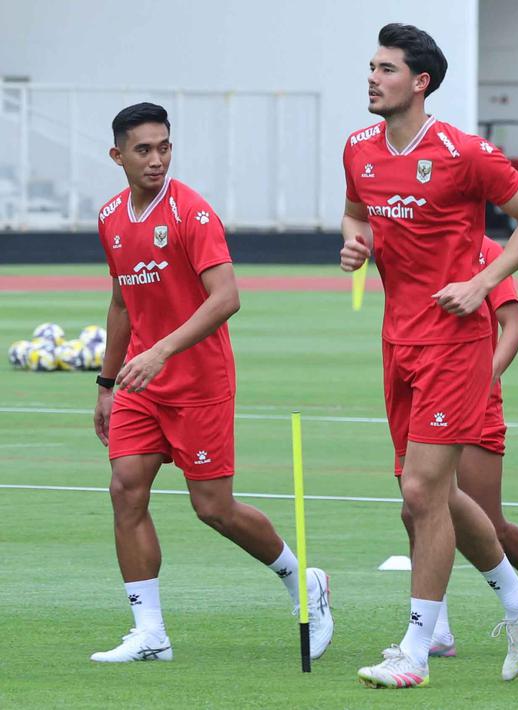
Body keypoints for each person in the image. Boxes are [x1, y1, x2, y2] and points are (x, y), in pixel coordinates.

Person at [339, 24, 518, 688]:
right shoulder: (357, 148)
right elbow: (356, 213)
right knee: (422, 496)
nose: (373, 78)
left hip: (455, 344)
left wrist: (483, 283)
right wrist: (355, 243)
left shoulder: (465, 152)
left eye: (386, 69)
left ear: (420, 82)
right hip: (396, 340)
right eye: (371, 67)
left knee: (421, 490)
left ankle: (415, 648)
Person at [91, 102, 333, 663]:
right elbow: (121, 303)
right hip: (140, 385)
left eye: (164, 147)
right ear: (117, 155)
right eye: (143, 149)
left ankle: (304, 581)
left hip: (198, 382)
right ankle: (150, 632)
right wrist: (108, 382)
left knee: (213, 508)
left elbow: (228, 298)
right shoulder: (110, 217)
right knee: (126, 489)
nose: (156, 159)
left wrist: (161, 351)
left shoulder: (191, 212)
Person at [426, 236, 518, 659]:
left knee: (488, 527)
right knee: (421, 507)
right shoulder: (419, 243)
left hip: (474, 403)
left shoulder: (485, 251)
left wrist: (484, 378)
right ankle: (436, 630)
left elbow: (514, 326)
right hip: (427, 397)